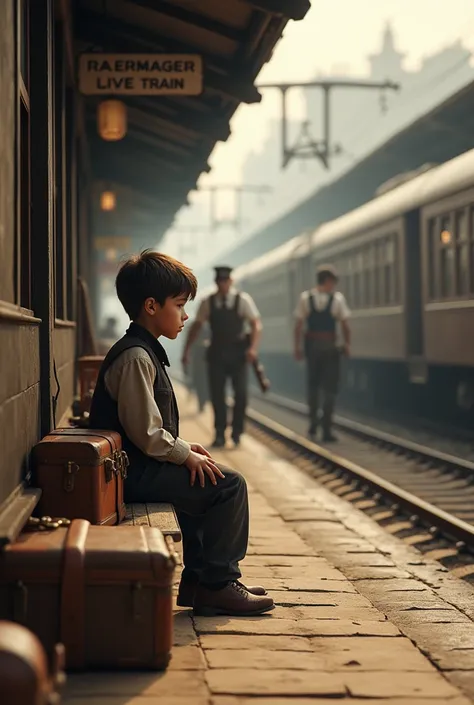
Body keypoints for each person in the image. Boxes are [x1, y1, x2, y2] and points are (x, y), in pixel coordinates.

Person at [89, 250, 273, 617]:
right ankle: (218, 583)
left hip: (135, 467)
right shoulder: (137, 357)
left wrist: (186, 451)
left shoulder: (143, 352)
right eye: (179, 305)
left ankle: (198, 581)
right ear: (152, 306)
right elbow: (147, 433)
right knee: (228, 486)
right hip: (133, 472)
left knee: (198, 474)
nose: (187, 316)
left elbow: (149, 431)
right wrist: (183, 453)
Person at [181, 266, 261, 448]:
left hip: (238, 353)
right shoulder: (207, 302)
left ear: (230, 282)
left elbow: (255, 324)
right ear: (216, 283)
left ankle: (237, 432)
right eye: (219, 281)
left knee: (240, 394)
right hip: (216, 353)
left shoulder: (242, 301)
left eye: (225, 281)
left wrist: (253, 348)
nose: (223, 284)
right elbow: (196, 327)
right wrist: (186, 350)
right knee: (217, 396)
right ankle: (219, 433)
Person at [294, 264, 351, 443]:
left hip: (312, 348)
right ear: (327, 281)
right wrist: (347, 344)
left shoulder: (305, 298)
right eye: (332, 282)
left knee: (313, 387)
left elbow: (299, 326)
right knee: (329, 389)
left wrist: (298, 347)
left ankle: (313, 424)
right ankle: (326, 428)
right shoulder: (337, 299)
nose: (333, 286)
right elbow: (344, 324)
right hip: (330, 347)